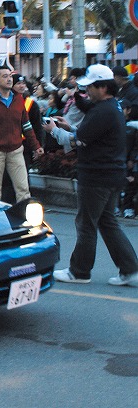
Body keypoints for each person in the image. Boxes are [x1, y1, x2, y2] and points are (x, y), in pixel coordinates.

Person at [49, 65, 138, 287]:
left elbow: (78, 141)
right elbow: (86, 134)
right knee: (107, 222)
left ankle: (79, 271)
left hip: (96, 176)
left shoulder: (102, 111)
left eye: (90, 87)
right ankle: (130, 269)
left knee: (86, 223)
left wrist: (55, 131)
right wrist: (70, 127)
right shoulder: (112, 107)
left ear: (103, 87)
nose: (87, 90)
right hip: (111, 175)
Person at [0, 65, 43, 203]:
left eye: (10, 76)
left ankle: (26, 218)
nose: (9, 79)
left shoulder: (18, 100)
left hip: (16, 150)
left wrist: (36, 145)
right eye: (5, 76)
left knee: (23, 188)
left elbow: (26, 125)